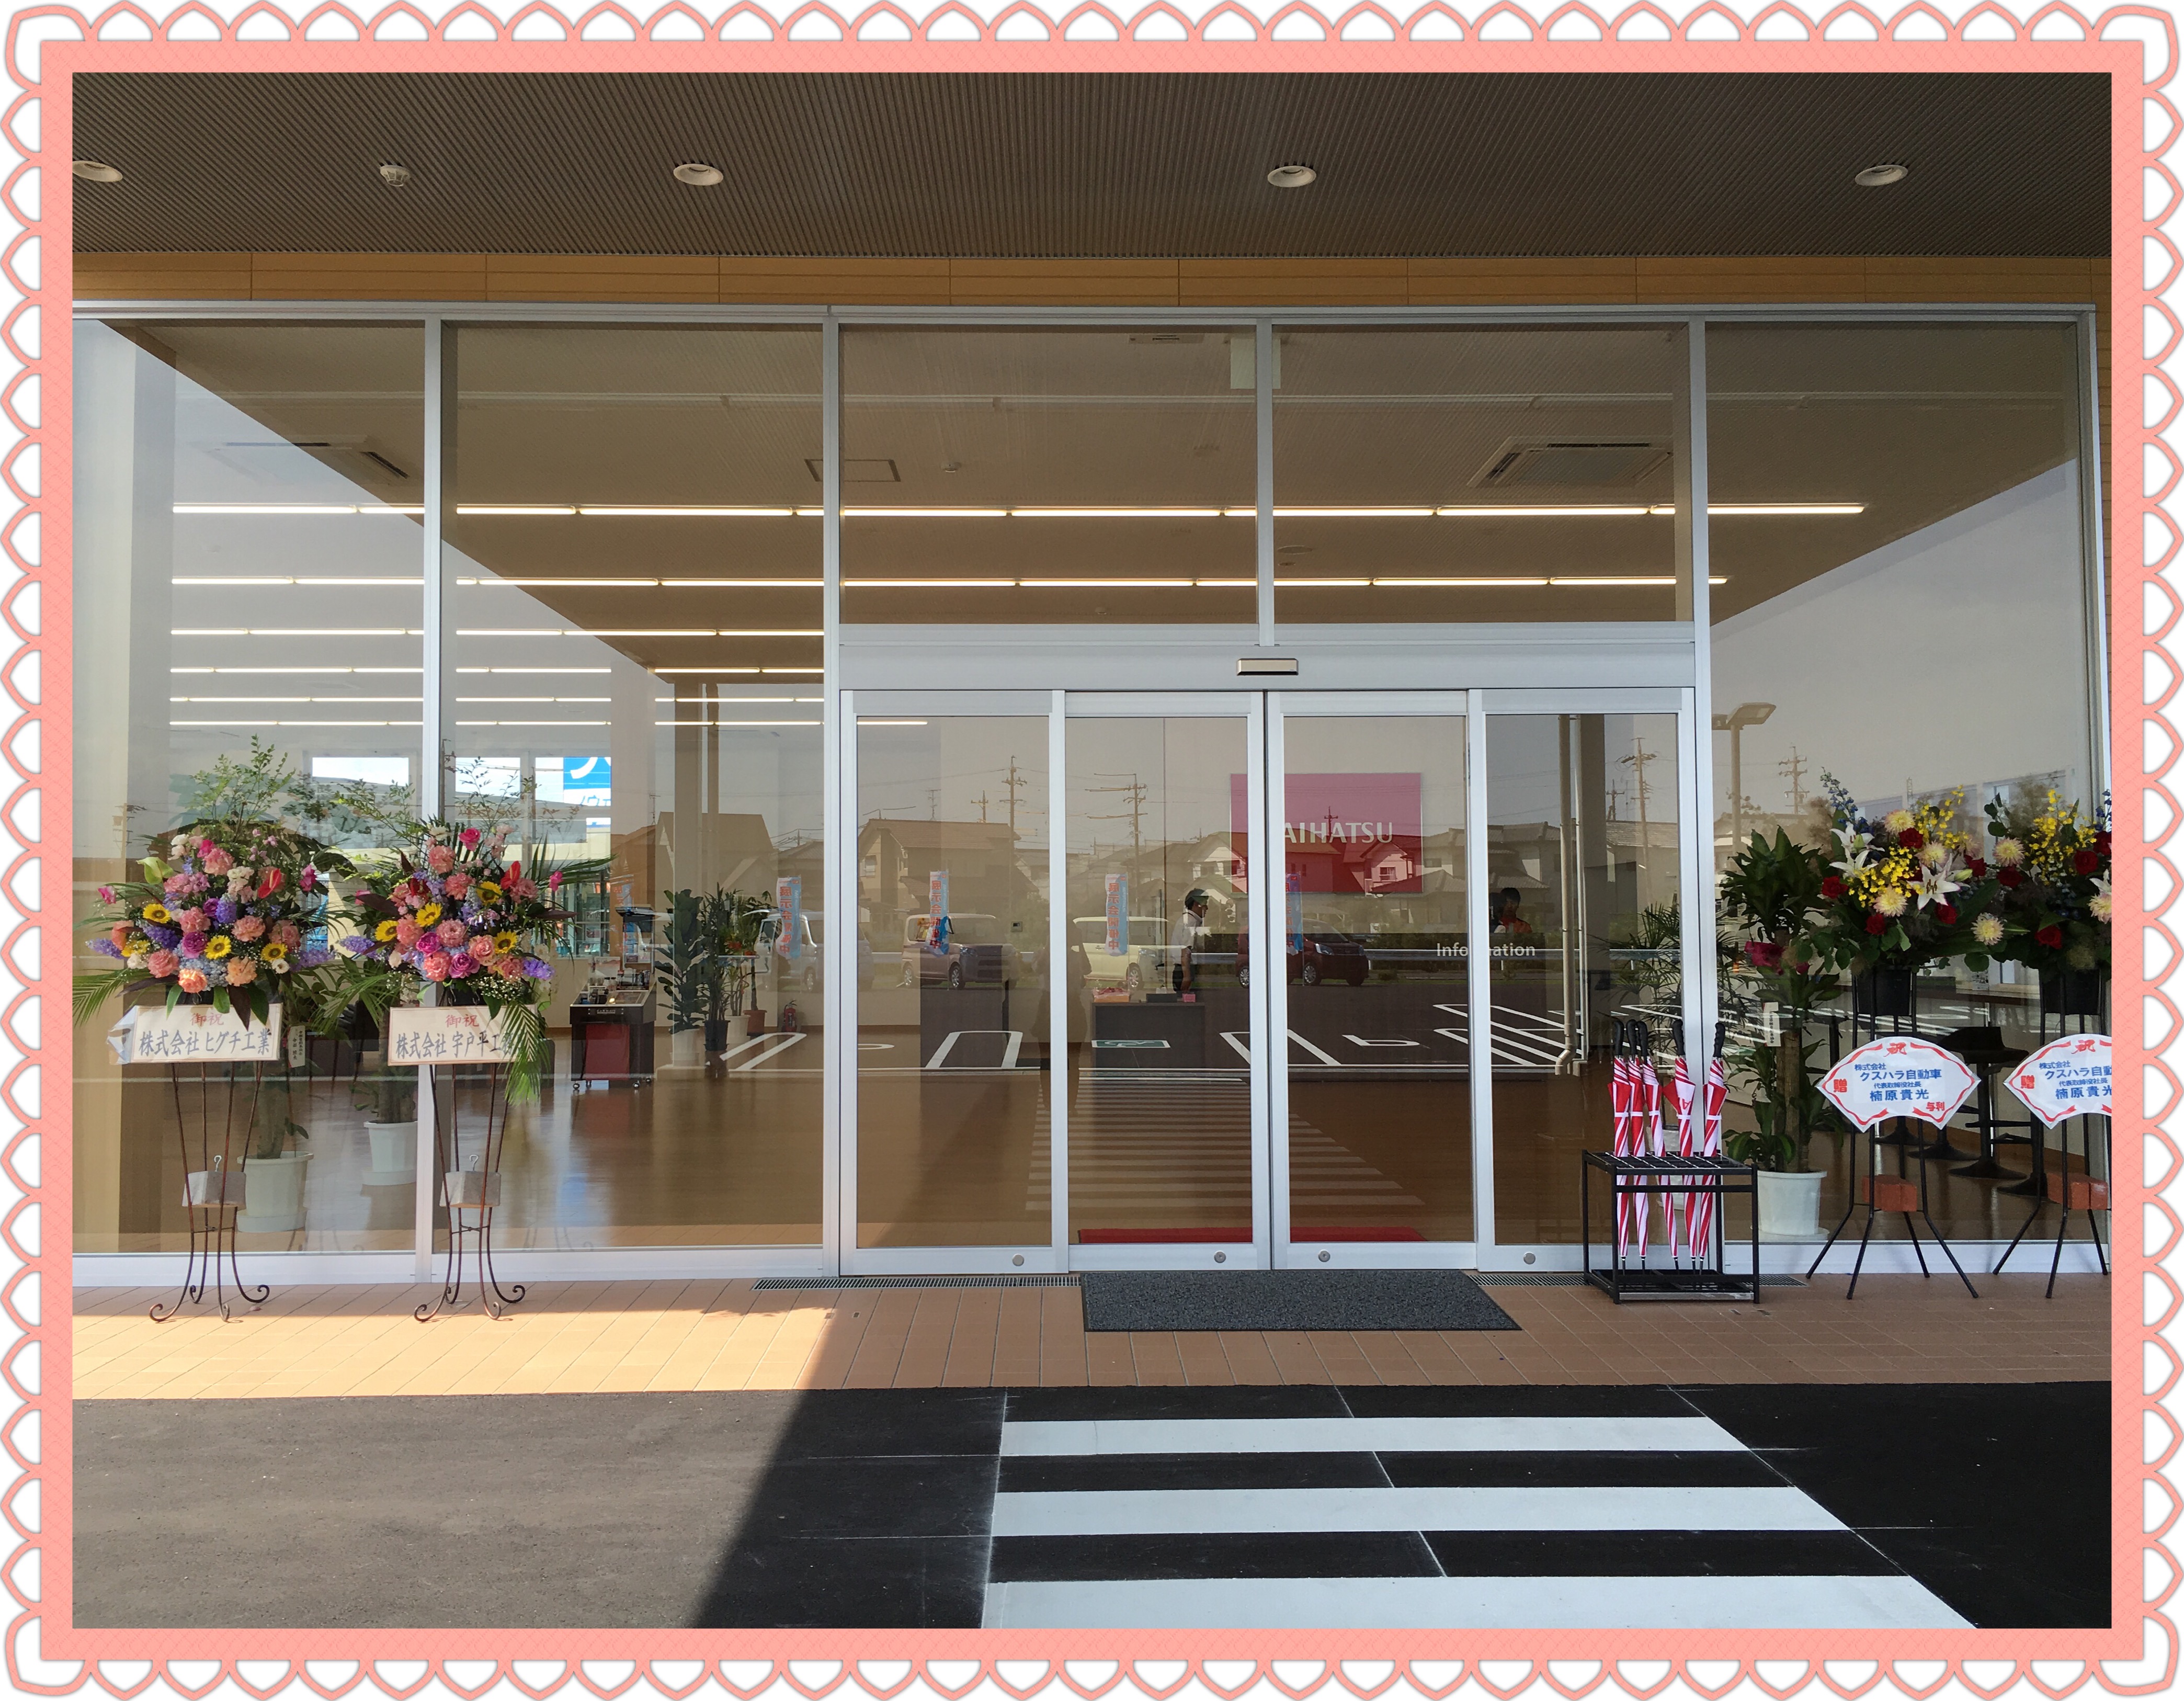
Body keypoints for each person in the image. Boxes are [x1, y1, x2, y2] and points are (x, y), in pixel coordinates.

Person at [1170, 887, 1211, 995]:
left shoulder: (1186, 920)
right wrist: (1187, 976)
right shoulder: (1191, 922)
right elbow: (1186, 950)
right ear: (1196, 905)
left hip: (1182, 969)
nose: (1207, 908)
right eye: (1204, 904)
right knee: (1191, 1002)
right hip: (1186, 970)